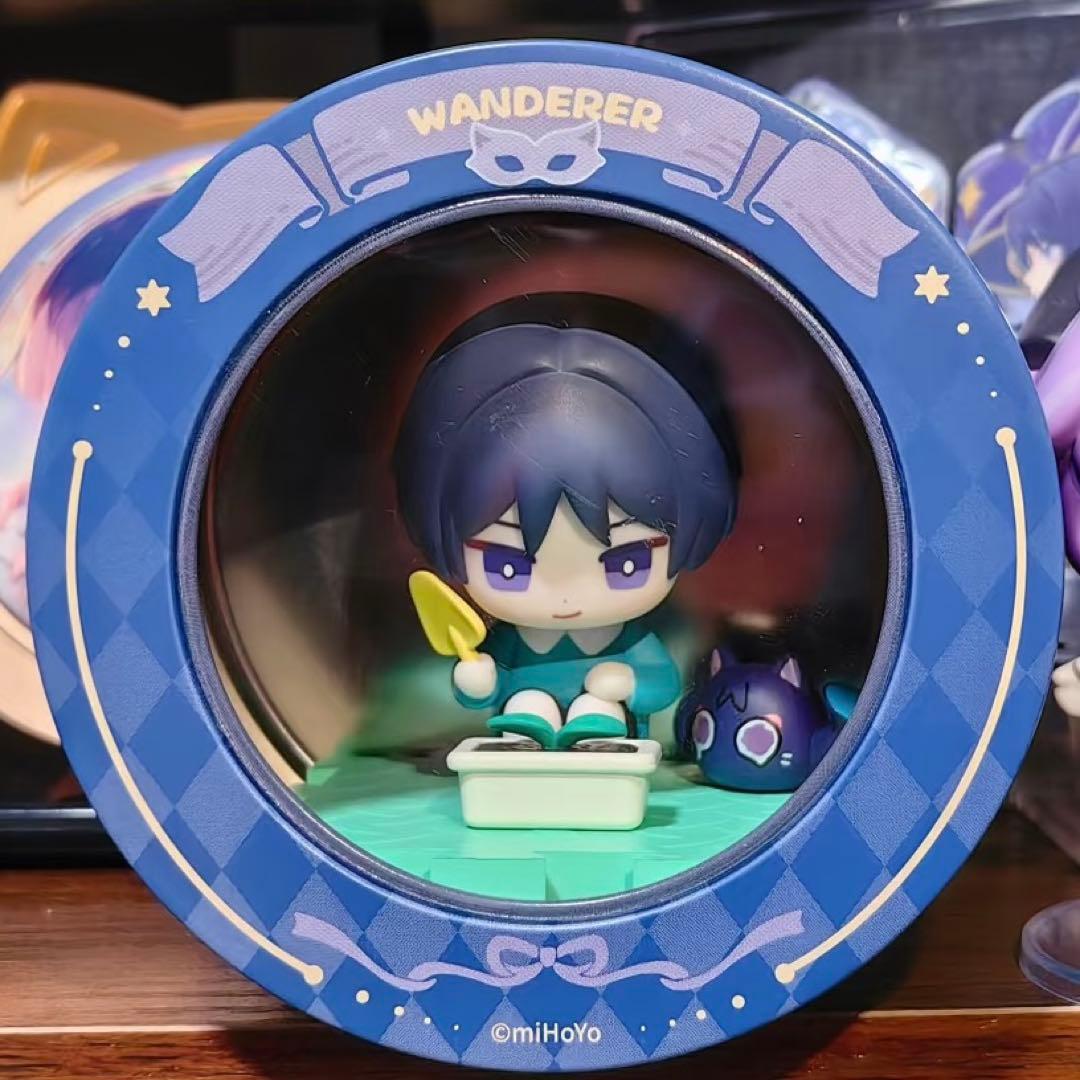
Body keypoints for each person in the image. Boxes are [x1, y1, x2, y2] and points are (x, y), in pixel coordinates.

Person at [393, 312, 738, 737]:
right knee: (527, 703)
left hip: (616, 740)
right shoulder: (514, 642)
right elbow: (484, 690)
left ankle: (595, 731)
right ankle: (527, 731)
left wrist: (629, 685)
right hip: (518, 743)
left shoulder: (629, 643)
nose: (566, 598)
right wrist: (476, 681)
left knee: (598, 708)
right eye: (509, 567)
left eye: (626, 564)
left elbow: (660, 684)